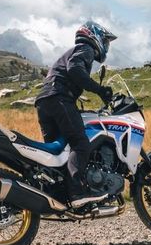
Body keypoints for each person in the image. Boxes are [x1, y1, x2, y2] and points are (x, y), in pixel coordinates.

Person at [34, 21, 117, 207]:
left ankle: (56, 194)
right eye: (105, 41)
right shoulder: (85, 49)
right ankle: (77, 194)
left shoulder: (73, 50)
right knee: (80, 144)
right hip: (58, 97)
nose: (106, 46)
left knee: (57, 152)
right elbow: (74, 70)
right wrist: (100, 90)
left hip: (44, 102)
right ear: (94, 36)